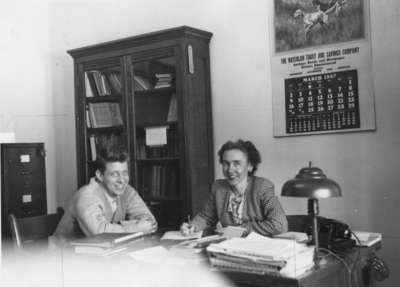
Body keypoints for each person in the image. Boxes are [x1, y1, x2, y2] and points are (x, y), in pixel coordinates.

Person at [180, 139, 287, 237]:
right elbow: (206, 217)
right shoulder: (218, 188)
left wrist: (240, 230)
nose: (230, 170)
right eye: (226, 163)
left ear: (250, 166)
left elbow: (279, 224)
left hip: (259, 246)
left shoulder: (262, 187)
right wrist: (192, 226)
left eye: (237, 164)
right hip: (230, 246)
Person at [54, 145, 157, 240]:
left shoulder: (127, 191)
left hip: (102, 254)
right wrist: (136, 227)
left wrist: (113, 227)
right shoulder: (86, 196)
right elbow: (99, 234)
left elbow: (151, 223)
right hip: (63, 256)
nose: (122, 180)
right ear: (100, 175)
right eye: (114, 174)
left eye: (124, 173)